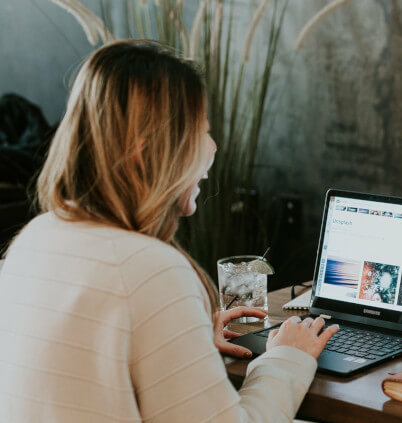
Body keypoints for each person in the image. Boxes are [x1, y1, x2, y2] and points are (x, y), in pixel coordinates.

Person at [0, 40, 338, 422]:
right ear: (146, 151)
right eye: (201, 132)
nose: (212, 147)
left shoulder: (34, 238)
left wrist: (184, 336)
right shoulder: (149, 268)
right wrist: (287, 357)